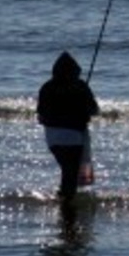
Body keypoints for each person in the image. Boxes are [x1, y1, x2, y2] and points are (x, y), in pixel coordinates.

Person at [37, 51, 99, 201]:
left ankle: (66, 199)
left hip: (52, 137)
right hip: (73, 136)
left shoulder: (47, 87)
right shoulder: (80, 85)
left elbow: (41, 114)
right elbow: (94, 110)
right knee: (70, 171)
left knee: (67, 170)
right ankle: (67, 204)